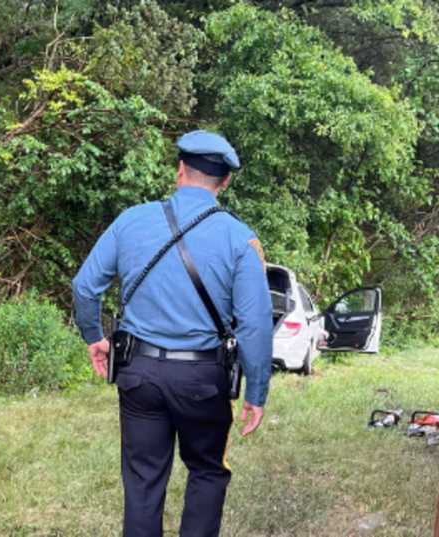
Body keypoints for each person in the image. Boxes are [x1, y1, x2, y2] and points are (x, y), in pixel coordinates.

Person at [72, 130, 273, 537]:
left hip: (138, 374)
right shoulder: (239, 239)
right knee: (206, 473)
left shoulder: (132, 220)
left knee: (143, 478)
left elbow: (84, 286)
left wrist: (94, 336)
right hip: (203, 380)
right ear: (225, 182)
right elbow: (254, 324)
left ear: (179, 170)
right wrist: (256, 392)